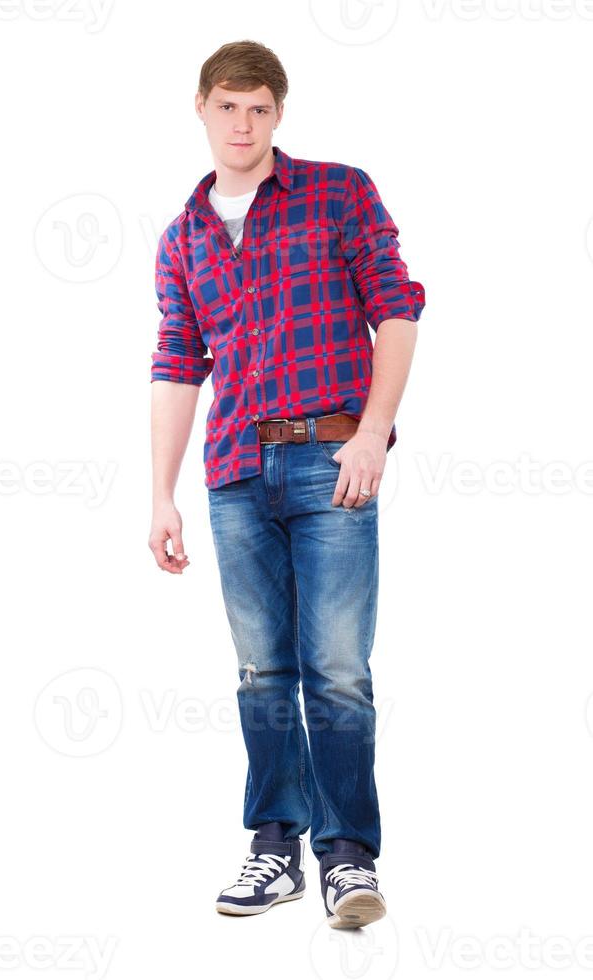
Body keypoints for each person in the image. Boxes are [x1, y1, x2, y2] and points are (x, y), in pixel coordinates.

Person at [148, 39, 426, 929]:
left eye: (260, 108)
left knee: (337, 669)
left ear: (279, 113)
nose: (244, 123)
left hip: (331, 458)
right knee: (261, 670)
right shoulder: (182, 238)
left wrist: (374, 431)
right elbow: (176, 366)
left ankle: (347, 858)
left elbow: (396, 304)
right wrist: (162, 494)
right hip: (232, 473)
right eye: (228, 106)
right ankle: (275, 846)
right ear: (201, 107)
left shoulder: (339, 191)